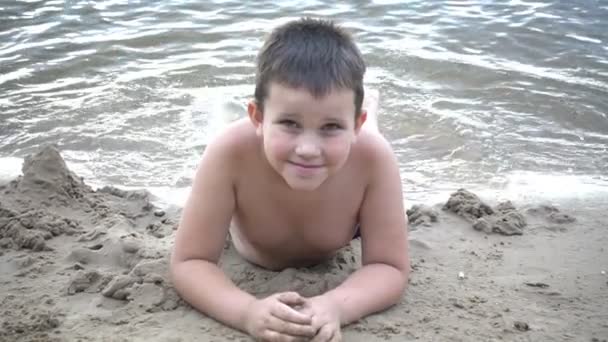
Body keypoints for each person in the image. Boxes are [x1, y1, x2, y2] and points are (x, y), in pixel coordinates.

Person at [170, 17, 410, 342]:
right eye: (289, 123)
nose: (308, 149)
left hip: (348, 188)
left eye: (331, 126)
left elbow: (390, 267)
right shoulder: (229, 154)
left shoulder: (374, 159)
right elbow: (190, 261)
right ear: (257, 117)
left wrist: (336, 306)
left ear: (356, 124)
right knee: (240, 141)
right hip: (252, 176)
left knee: (369, 144)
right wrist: (247, 312)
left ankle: (363, 116)